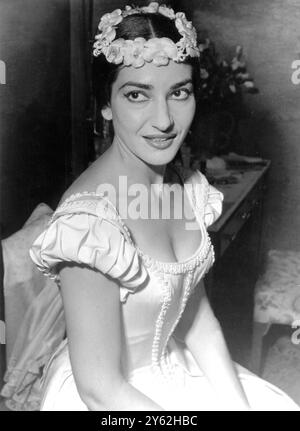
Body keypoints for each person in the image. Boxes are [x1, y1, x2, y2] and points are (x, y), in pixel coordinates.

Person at [29, 2, 299, 411]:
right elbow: (100, 389)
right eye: (137, 94)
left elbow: (198, 321)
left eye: (179, 93)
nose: (164, 120)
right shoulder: (88, 225)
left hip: (171, 369)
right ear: (105, 104)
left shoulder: (185, 186)